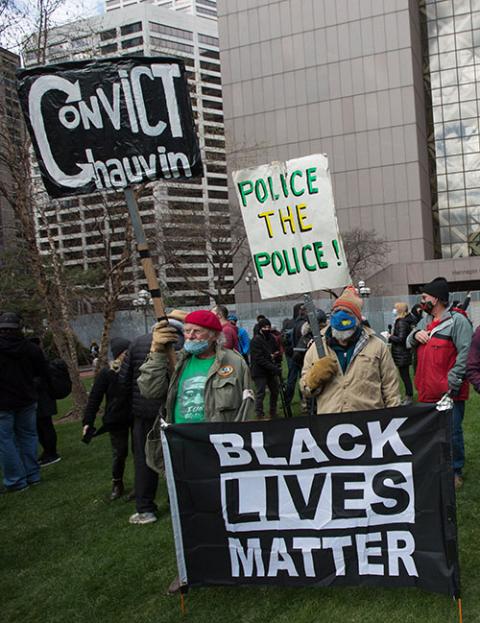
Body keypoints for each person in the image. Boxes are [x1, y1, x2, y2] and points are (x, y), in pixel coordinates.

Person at [137, 308, 254, 595]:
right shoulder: (175, 363)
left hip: (217, 450)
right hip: (181, 450)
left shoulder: (234, 364)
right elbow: (149, 390)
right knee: (186, 512)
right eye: (186, 332)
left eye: (196, 332)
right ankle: (189, 569)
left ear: (214, 336)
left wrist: (239, 448)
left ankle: (238, 563)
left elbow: (247, 407)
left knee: (226, 509)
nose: (189, 337)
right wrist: (155, 352)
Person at [407, 277, 472, 489]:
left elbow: (466, 353)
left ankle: (455, 471)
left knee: (451, 433)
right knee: (432, 434)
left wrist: (451, 382)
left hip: (448, 393)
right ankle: (437, 467)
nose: (421, 301)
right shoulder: (427, 323)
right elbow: (408, 341)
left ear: (435, 299)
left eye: (424, 297)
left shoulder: (458, 321)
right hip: (427, 392)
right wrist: (416, 334)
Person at [118, 316, 184, 525]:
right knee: (178, 459)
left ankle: (145, 507)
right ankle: (180, 501)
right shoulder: (179, 343)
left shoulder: (137, 343)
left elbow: (124, 379)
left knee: (144, 460)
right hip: (167, 409)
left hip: (144, 412)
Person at [300, 287, 401, 413]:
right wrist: (314, 377)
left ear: (358, 319)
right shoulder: (317, 348)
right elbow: (305, 389)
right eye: (337, 311)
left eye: (347, 312)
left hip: (369, 423)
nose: (341, 316)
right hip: (331, 424)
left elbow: (391, 389)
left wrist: (394, 419)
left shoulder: (377, 347)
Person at [0, 312, 51, 492]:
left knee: (6, 441)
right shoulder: (31, 348)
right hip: (27, 398)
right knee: (28, 436)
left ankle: (15, 480)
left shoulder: (29, 348)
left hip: (4, 403)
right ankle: (32, 475)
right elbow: (43, 373)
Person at [82, 338, 131, 500]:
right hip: (116, 418)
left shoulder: (136, 368)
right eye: (126, 352)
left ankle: (142, 484)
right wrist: (88, 422)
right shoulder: (107, 373)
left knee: (140, 451)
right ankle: (117, 483)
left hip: (136, 415)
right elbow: (95, 398)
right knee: (119, 452)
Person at [249, 318, 281, 419]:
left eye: (268, 327)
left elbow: (276, 349)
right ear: (260, 328)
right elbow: (259, 358)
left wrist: (276, 355)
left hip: (270, 370)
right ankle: (259, 413)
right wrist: (272, 364)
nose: (267, 329)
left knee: (275, 391)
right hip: (259, 371)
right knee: (261, 393)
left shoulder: (271, 338)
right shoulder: (255, 340)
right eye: (264, 327)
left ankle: (273, 411)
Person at [388, 302, 415, 405]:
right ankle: (408, 395)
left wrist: (390, 337)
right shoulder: (401, 321)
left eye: (395, 308)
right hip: (401, 354)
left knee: (405, 376)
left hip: (402, 354)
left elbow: (401, 339)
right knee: (404, 375)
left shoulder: (402, 322)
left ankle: (409, 396)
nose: (393, 310)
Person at [284, 303, 308, 406]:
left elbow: (284, 339)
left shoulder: (288, 323)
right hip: (302, 355)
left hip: (292, 355)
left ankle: (287, 401)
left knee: (292, 379)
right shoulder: (304, 323)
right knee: (303, 379)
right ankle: (304, 402)